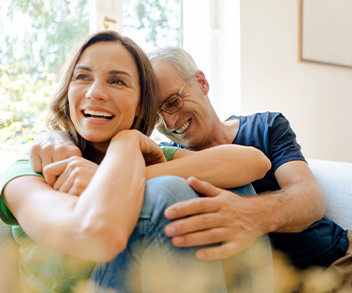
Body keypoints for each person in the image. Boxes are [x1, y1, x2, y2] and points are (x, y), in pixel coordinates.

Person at [31, 45, 352, 291]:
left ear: (201, 82)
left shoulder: (264, 127)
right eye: (157, 115)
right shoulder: (168, 157)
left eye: (172, 101)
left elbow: (309, 197)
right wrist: (59, 133)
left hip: (334, 261)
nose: (170, 122)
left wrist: (250, 214)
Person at [0, 31, 274, 293]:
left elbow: (253, 162)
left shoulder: (146, 155)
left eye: (117, 81)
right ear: (67, 91)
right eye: (82, 76)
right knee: (167, 191)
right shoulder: (30, 170)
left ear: (140, 105)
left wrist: (124, 148)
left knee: (234, 190)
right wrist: (122, 160)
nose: (96, 92)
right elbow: (95, 234)